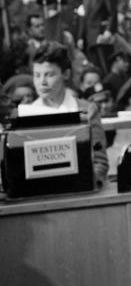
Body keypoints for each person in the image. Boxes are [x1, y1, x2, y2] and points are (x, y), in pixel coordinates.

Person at [24, 41, 109, 187]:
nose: (42, 82)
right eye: (37, 75)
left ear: (66, 74)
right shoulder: (25, 114)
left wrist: (85, 183)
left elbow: (99, 162)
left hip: (80, 193)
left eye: (49, 74)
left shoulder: (87, 111)